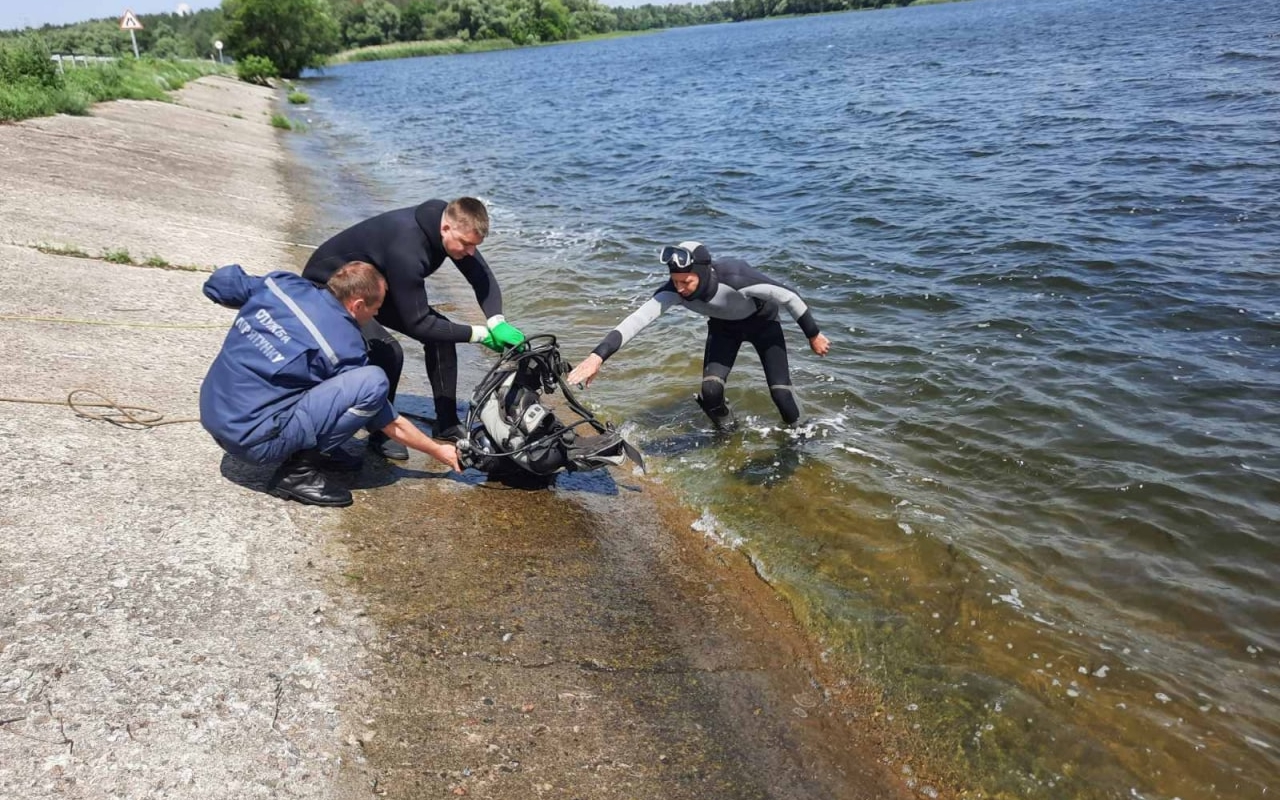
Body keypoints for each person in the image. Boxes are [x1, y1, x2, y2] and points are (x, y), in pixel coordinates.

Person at [199, 261, 461, 507]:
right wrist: (438, 450)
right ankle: (298, 473)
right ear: (357, 305)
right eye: (376, 308)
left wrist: (269, 323)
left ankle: (311, 447)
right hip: (253, 443)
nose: (377, 314)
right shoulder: (345, 345)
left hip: (212, 413)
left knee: (308, 372)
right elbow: (390, 423)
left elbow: (221, 283)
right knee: (373, 382)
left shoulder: (282, 285)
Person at [302, 197, 525, 460]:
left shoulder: (453, 227)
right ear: (446, 229)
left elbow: (482, 278)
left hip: (376, 287)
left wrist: (496, 321)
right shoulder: (408, 247)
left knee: (442, 336)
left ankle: (447, 423)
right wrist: (478, 335)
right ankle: (381, 430)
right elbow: (418, 323)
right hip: (328, 289)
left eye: (475, 246)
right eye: (466, 244)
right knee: (388, 352)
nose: (470, 252)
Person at [567, 241, 831, 430]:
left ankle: (800, 434)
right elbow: (636, 320)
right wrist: (597, 357)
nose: (680, 289)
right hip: (723, 329)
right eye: (675, 281)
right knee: (711, 391)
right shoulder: (672, 290)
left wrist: (813, 334)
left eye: (687, 282)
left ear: (703, 273)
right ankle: (728, 430)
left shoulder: (736, 277)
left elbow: (788, 296)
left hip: (763, 326)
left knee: (781, 395)